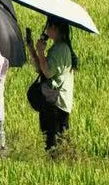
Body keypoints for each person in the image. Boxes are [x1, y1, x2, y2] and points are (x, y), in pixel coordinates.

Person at [25, 17, 76, 154]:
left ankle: (58, 163)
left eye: (48, 26)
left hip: (56, 102)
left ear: (55, 28)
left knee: (54, 143)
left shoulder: (60, 49)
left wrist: (41, 52)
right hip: (54, 101)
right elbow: (41, 69)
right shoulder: (58, 47)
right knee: (53, 141)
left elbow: (47, 73)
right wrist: (32, 49)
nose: (46, 29)